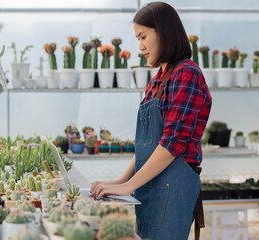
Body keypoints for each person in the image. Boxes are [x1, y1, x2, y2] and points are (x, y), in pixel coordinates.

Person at [90, 2, 212, 240]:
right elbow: (149, 144)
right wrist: (121, 181)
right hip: (149, 189)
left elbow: (172, 144)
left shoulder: (187, 73)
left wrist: (127, 186)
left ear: (164, 31)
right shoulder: (157, 80)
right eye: (138, 38)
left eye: (143, 36)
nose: (140, 46)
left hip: (171, 190)